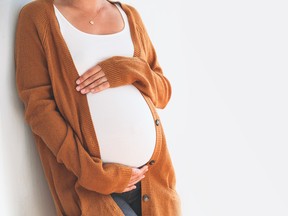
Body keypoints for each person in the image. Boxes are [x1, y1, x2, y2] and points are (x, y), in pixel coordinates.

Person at [15, 0, 181, 215]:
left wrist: (128, 68)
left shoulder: (129, 15)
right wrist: (93, 175)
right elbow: (39, 109)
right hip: (91, 186)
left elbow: (163, 93)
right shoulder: (39, 16)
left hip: (153, 179)